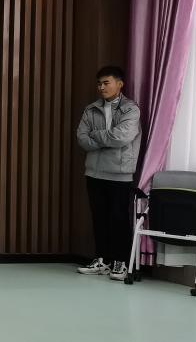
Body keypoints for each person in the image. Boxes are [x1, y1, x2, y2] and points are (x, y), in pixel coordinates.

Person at [75, 66, 141, 281]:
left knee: (119, 219)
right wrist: (106, 138)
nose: (101, 87)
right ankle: (102, 260)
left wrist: (96, 136)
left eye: (106, 83)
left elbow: (121, 137)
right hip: (94, 173)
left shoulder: (131, 109)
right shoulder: (91, 109)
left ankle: (121, 262)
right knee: (99, 218)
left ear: (119, 84)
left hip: (120, 173)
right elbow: (82, 139)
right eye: (99, 84)